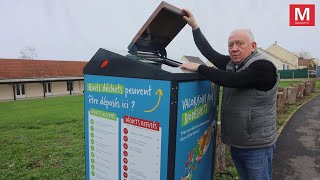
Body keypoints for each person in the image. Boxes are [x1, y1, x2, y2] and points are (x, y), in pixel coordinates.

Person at [180, 9, 278, 180]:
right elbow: (210, 53)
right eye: (230, 45)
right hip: (237, 142)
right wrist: (195, 27)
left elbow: (232, 80)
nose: (234, 49)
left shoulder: (263, 66)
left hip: (257, 146)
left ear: (253, 46)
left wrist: (200, 68)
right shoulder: (233, 64)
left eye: (240, 44)